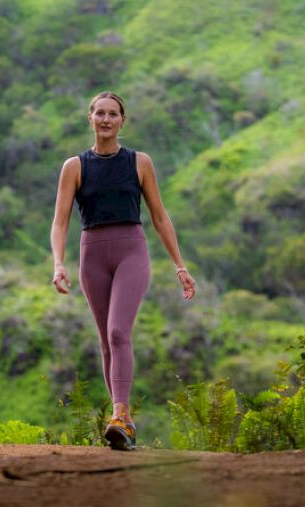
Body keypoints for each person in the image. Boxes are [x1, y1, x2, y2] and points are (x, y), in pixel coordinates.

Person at [50, 91, 196, 450]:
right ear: (90, 118)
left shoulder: (139, 162)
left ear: (122, 121)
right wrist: (58, 264)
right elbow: (60, 221)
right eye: (99, 113)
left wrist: (180, 266)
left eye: (112, 114)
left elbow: (160, 217)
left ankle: (120, 414)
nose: (105, 119)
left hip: (131, 249)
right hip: (92, 254)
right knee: (105, 342)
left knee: (118, 332)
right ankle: (124, 424)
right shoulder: (74, 167)